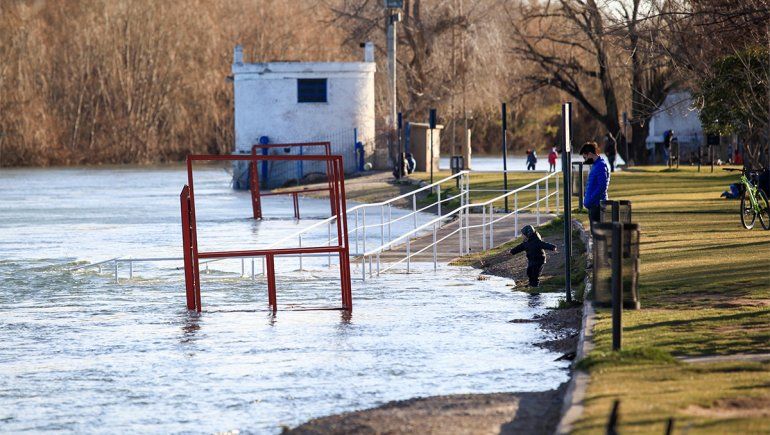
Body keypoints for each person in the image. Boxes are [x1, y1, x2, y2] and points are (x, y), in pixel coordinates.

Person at [580, 141, 610, 226]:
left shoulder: (600, 166)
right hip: (593, 206)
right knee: (595, 234)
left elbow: (602, 186)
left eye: (585, 157)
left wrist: (591, 199)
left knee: (598, 234)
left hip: (597, 206)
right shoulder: (596, 165)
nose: (585, 160)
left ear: (589, 154)